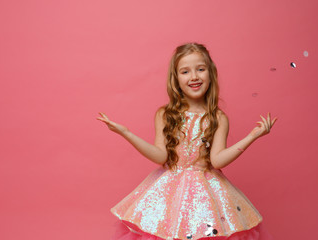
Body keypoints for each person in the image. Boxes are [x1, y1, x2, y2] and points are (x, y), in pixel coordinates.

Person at [97, 42, 278, 240]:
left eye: (200, 69)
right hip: (169, 192)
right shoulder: (165, 114)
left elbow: (217, 161)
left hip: (207, 195)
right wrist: (126, 133)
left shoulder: (218, 118)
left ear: (211, 74)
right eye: (185, 71)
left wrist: (252, 136)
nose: (194, 77)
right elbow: (161, 155)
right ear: (175, 78)